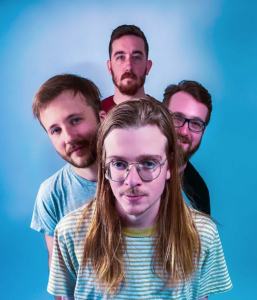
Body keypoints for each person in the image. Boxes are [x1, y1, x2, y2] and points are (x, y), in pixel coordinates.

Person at [47, 99, 232, 299]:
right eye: (118, 164)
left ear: (170, 165)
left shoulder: (203, 234)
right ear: (104, 166)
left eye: (148, 163)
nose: (132, 181)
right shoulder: (69, 233)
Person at [30, 74, 105, 269]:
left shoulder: (141, 177)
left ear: (101, 117)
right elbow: (60, 271)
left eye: (75, 120)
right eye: (56, 130)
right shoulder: (50, 195)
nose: (69, 138)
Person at [163, 80, 212, 215]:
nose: (184, 131)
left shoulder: (199, 192)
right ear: (161, 117)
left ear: (203, 131)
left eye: (196, 123)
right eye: (178, 118)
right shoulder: (128, 170)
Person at [101, 24, 152, 113]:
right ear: (109, 67)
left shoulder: (164, 115)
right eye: (121, 57)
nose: (128, 67)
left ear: (148, 66)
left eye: (136, 57)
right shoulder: (95, 116)